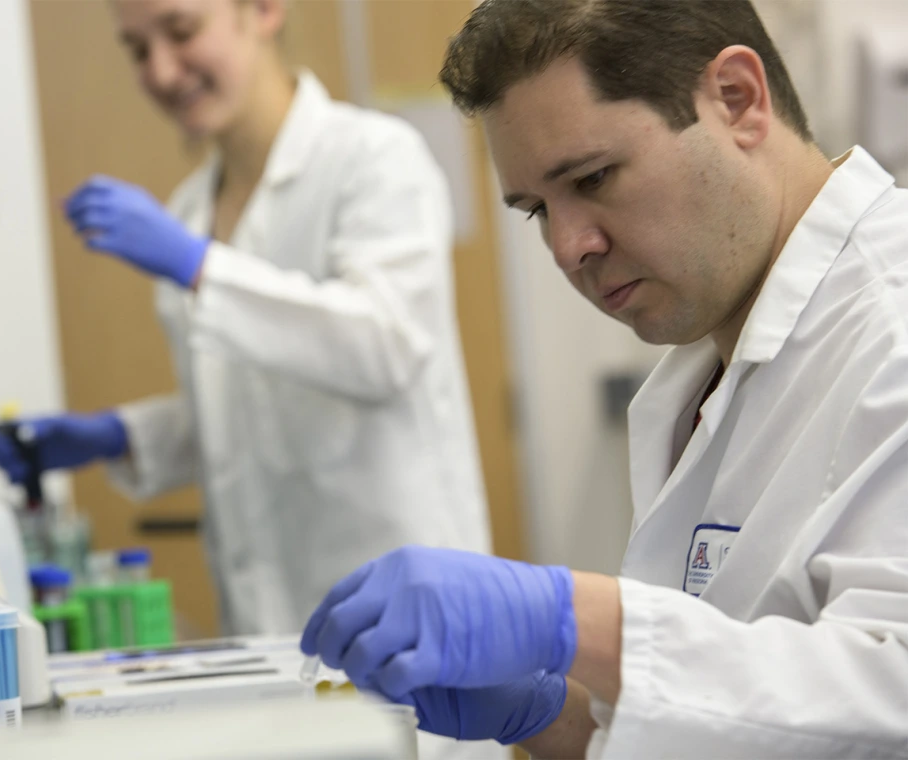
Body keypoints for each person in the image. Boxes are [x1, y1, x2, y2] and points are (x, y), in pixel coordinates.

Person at [300, 0, 908, 757]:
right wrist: (549, 713)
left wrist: (574, 620)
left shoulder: (893, 324)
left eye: (592, 177)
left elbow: (890, 699)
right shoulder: (711, 362)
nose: (567, 248)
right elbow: (741, 719)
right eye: (535, 212)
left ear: (737, 101)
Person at [0, 1, 491, 641]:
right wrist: (121, 436)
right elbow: (248, 412)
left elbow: (385, 347)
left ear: (263, 10)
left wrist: (200, 267)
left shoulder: (374, 160)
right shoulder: (189, 209)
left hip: (404, 616)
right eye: (139, 50)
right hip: (265, 626)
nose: (164, 72)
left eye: (181, 31)